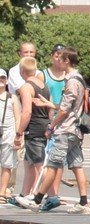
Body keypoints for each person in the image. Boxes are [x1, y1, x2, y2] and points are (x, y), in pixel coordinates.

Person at [17, 46, 90, 214]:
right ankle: (84, 202)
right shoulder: (79, 78)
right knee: (77, 165)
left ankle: (37, 199)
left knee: (52, 164)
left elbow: (64, 110)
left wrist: (51, 126)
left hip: (66, 130)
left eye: (61, 58)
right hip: (76, 130)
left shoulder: (71, 81)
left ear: (67, 61)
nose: (58, 61)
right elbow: (70, 107)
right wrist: (50, 104)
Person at [16, 56, 49, 198]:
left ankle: (51, 195)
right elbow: (50, 107)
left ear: (21, 70)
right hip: (44, 124)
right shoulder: (43, 85)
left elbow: (27, 112)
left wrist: (19, 133)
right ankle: (24, 194)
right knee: (28, 163)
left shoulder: (26, 87)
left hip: (34, 128)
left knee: (39, 165)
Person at [0, 71, 17, 205]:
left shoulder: (12, 97)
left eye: (3, 78)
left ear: (6, 81)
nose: (1, 80)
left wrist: (19, 136)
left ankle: (2, 191)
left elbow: (18, 117)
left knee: (7, 164)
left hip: (8, 133)